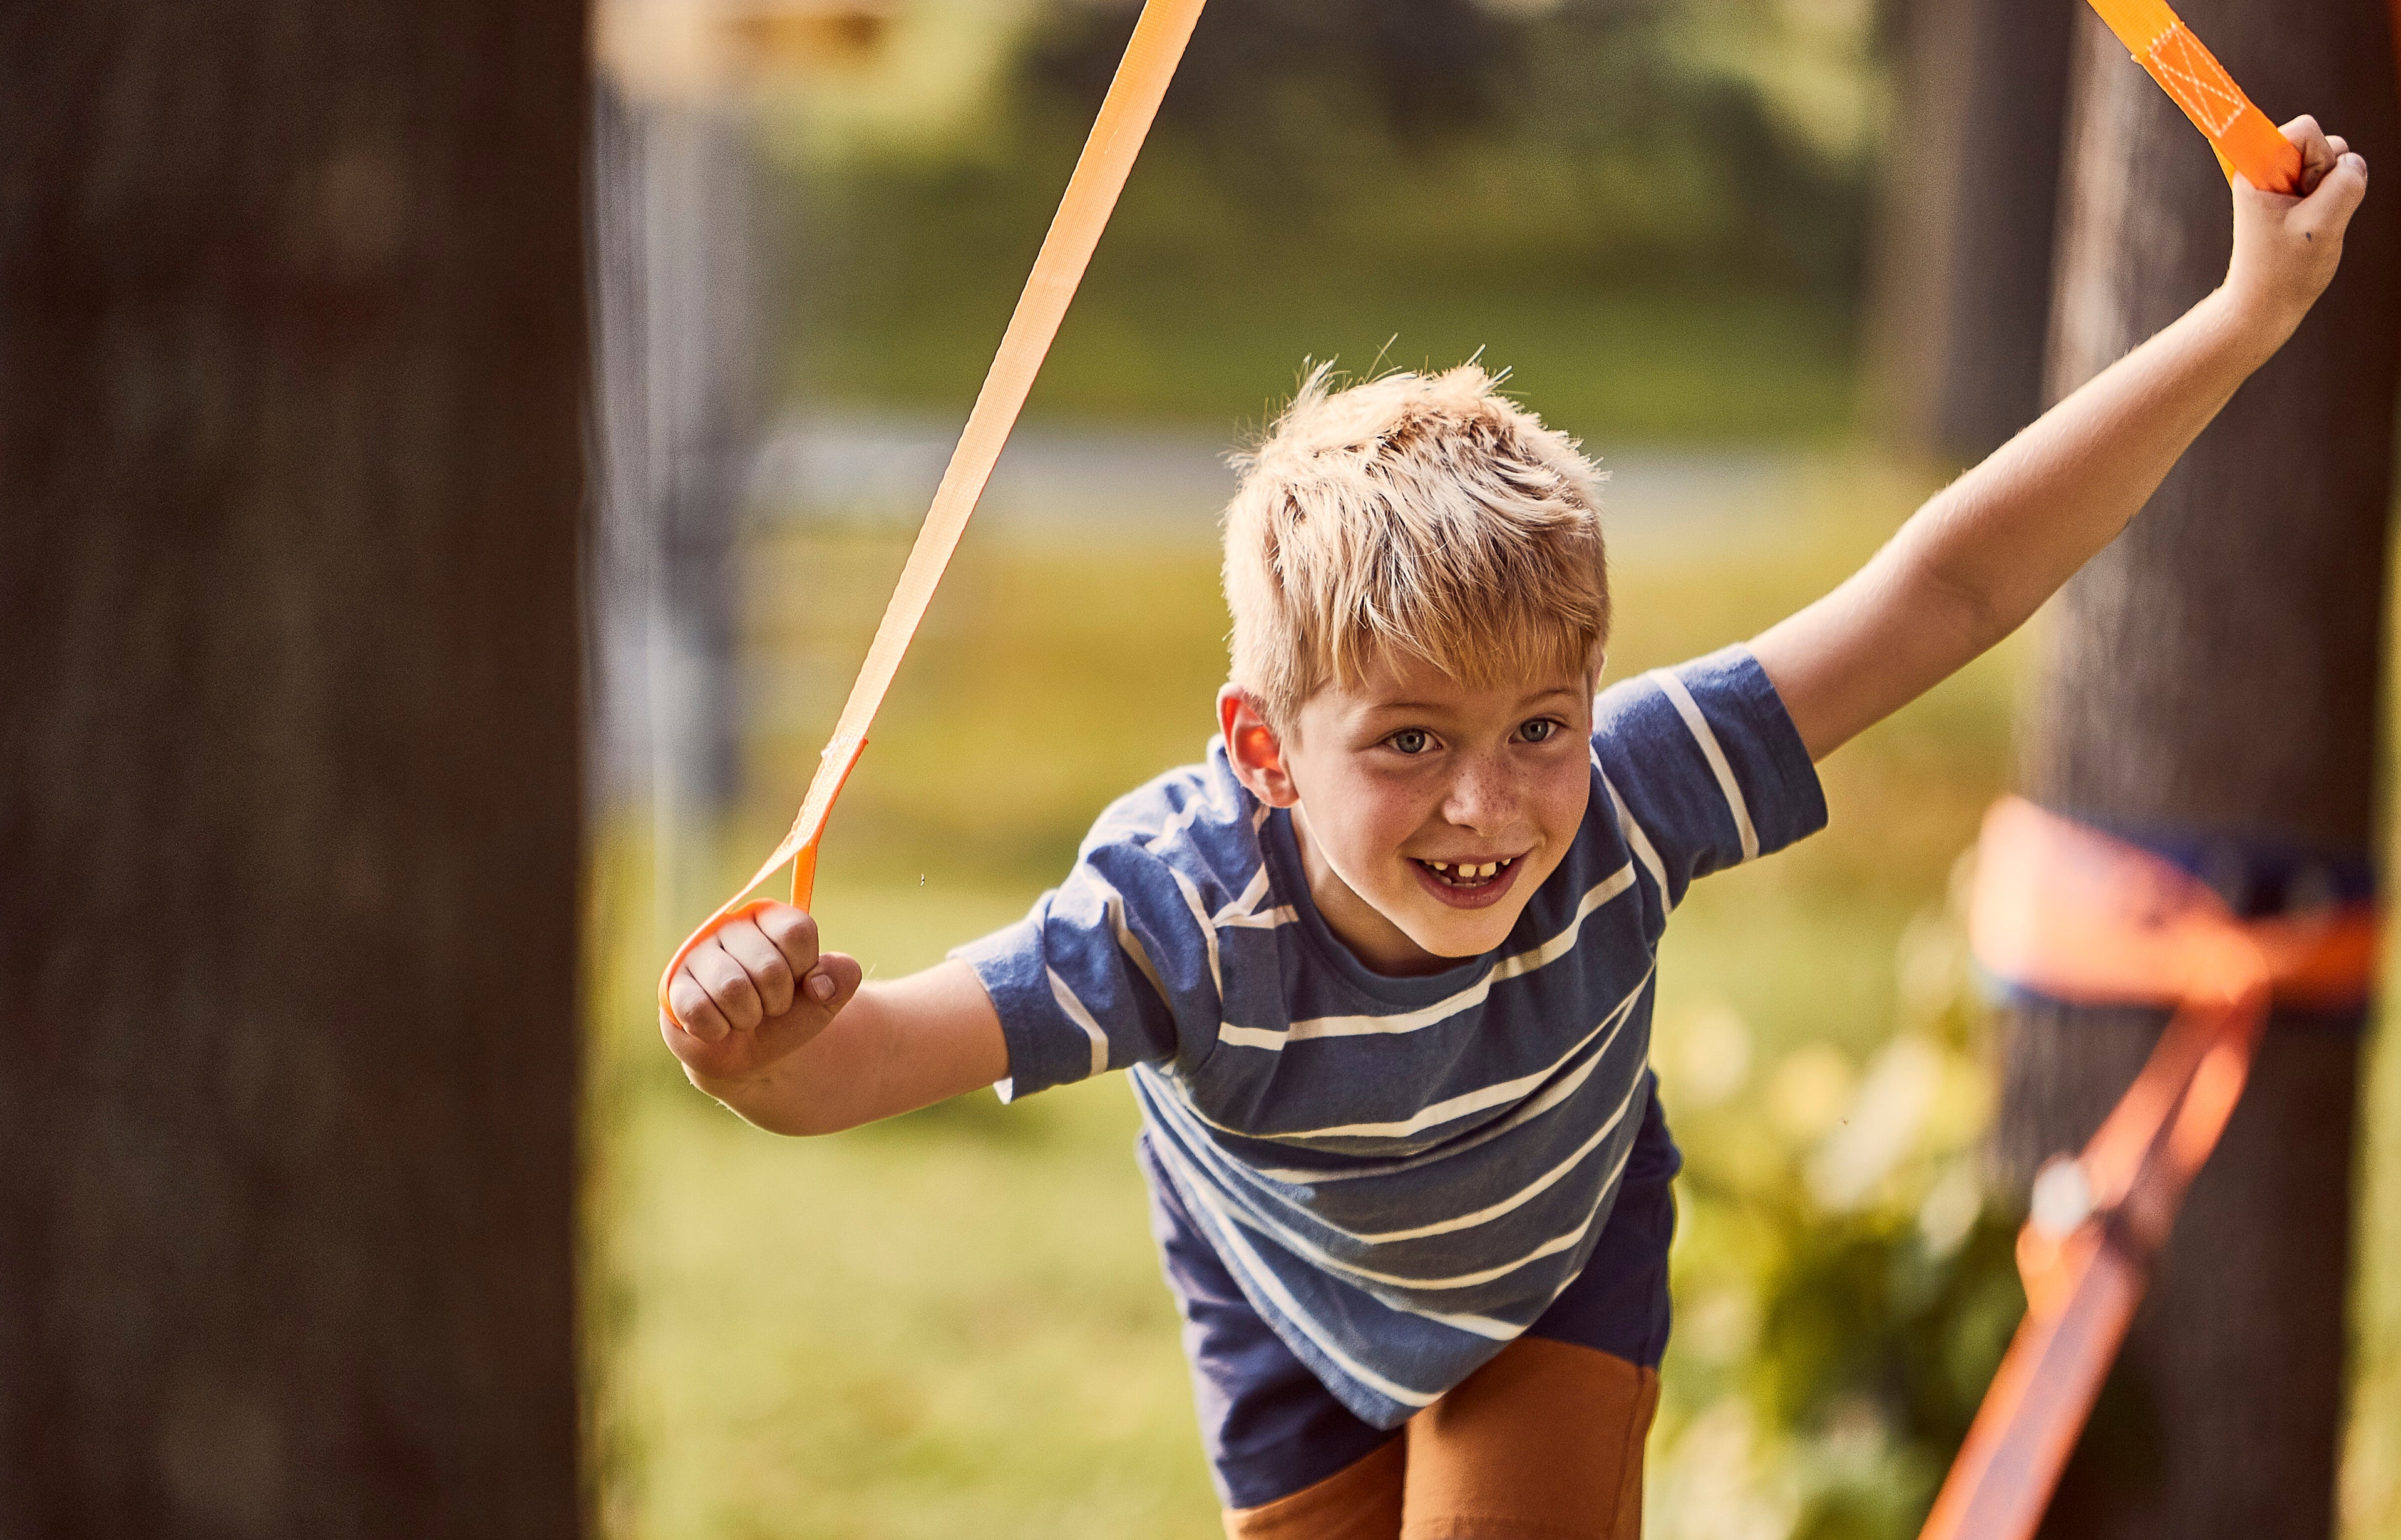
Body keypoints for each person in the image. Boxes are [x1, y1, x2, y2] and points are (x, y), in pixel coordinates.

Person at [661, 119, 2368, 1539]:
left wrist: (2235, 316)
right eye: (1409, 740)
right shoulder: (1174, 915)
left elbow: (1949, 581)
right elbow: (851, 1070)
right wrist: (753, 1042)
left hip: (1551, 1257)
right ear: (1262, 745)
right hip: (1287, 1308)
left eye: (1535, 728)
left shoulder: (1631, 797)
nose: (1486, 802)